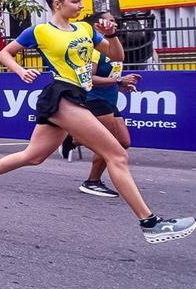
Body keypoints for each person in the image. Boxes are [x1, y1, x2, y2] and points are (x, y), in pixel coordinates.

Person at [0, 0, 196, 244]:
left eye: (81, 0)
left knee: (34, 156)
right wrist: (20, 70)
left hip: (77, 96)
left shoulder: (85, 28)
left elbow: (116, 56)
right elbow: (5, 53)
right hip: (62, 95)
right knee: (117, 154)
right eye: (75, 1)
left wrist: (111, 35)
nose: (81, 5)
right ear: (57, 4)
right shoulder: (40, 31)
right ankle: (150, 223)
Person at [60, 11, 142, 198]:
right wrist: (119, 81)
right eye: (110, 20)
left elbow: (112, 74)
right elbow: (88, 78)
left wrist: (122, 86)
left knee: (124, 142)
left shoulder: (112, 46)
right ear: (99, 25)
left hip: (110, 99)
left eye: (115, 20)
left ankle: (72, 138)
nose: (115, 23)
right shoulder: (95, 50)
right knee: (111, 145)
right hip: (94, 99)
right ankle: (92, 181)